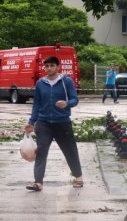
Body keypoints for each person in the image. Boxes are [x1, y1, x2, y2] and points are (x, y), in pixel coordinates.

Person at [23, 56, 83, 192]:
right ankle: (38, 183)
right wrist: (31, 122)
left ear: (58, 67)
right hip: (44, 124)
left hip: (62, 123)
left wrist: (67, 103)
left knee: (70, 151)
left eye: (52, 66)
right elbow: (37, 104)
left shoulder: (66, 81)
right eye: (47, 66)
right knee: (41, 152)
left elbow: (75, 99)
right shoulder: (40, 83)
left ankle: (78, 177)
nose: (49, 68)